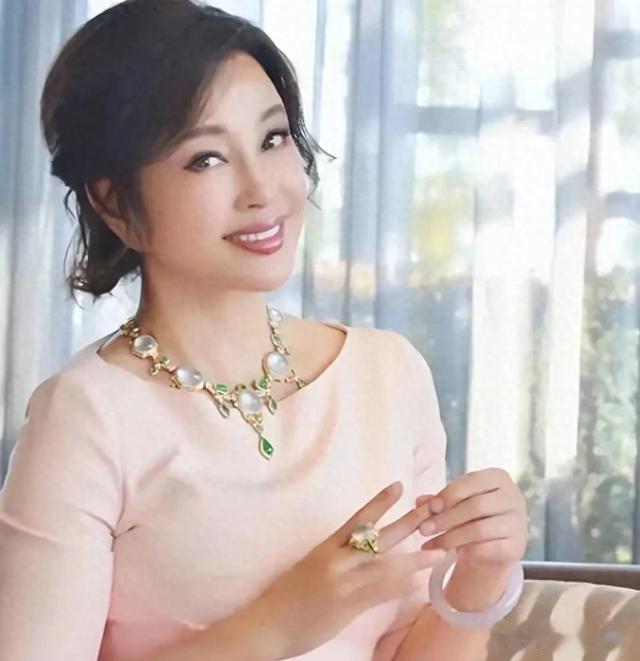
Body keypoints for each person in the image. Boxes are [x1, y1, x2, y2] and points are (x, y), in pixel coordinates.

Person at [0, 1, 528, 659]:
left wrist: (479, 577)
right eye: (205, 159)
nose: (261, 189)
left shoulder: (388, 375)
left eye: (273, 139)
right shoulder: (85, 418)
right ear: (113, 202)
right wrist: (279, 623)